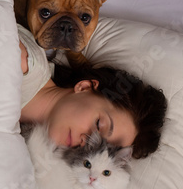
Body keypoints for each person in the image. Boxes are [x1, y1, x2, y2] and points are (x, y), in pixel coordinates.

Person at [17, 24, 167, 159]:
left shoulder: (17, 135)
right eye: (98, 125)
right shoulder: (22, 62)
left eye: (100, 146)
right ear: (84, 87)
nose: (86, 143)